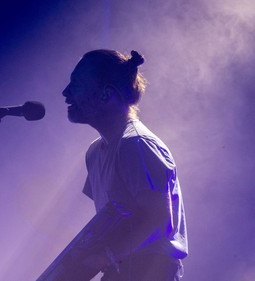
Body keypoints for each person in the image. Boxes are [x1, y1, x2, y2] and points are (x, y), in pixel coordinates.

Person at [62, 49, 188, 281]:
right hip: (121, 271)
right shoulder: (95, 152)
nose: (66, 93)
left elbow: (159, 220)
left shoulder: (135, 145)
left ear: (106, 94)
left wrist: (105, 256)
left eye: (76, 84)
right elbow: (114, 220)